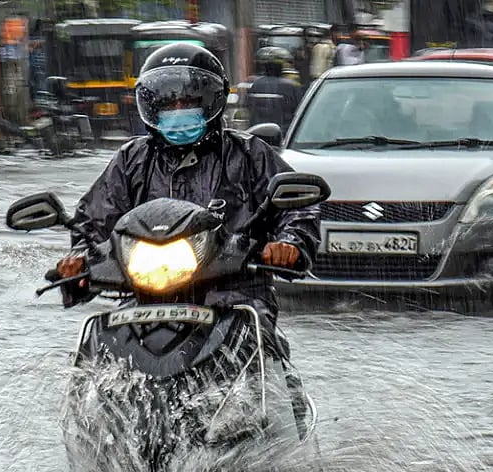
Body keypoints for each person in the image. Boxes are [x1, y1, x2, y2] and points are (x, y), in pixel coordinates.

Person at [54, 43, 319, 317]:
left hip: (236, 299)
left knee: (255, 333)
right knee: (96, 340)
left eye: (189, 102)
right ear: (153, 107)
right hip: (144, 299)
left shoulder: (250, 155)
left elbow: (297, 207)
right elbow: (93, 222)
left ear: (211, 102)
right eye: (169, 103)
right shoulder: (131, 160)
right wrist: (79, 257)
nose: (178, 109)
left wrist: (288, 243)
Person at [246, 47, 304, 131]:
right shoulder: (292, 86)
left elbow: (249, 106)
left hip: (259, 129)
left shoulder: (256, 84)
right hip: (284, 130)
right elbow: (299, 109)